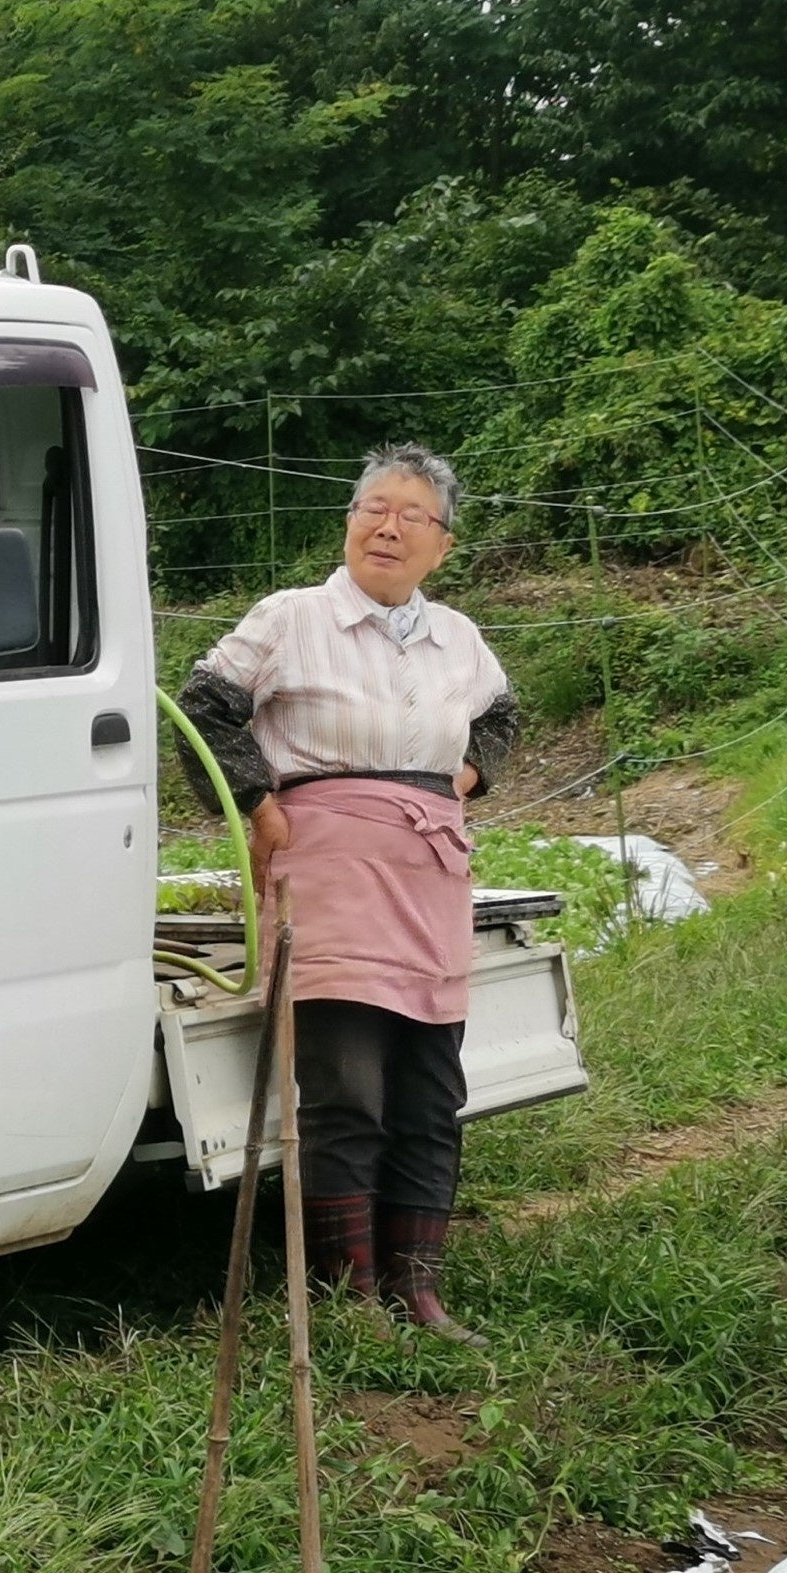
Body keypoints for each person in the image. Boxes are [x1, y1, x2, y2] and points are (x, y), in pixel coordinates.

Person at [174, 442, 520, 1341]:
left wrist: (468, 779)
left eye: (412, 515)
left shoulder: (459, 639)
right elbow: (205, 704)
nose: (389, 526)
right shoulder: (293, 619)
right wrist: (257, 802)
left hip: (428, 873)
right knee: (346, 1088)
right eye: (373, 507)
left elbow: (502, 715)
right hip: (326, 869)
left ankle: (420, 1292)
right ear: (349, 521)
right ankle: (349, 1296)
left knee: (429, 1090)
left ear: (442, 545)